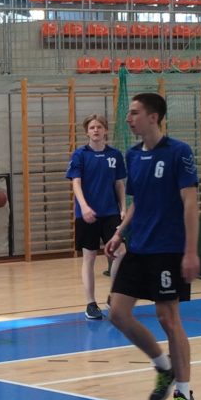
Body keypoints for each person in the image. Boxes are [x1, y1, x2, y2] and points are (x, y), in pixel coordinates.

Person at [103, 93, 201, 400]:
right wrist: (119, 233)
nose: (128, 118)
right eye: (129, 113)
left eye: (134, 113)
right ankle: (163, 366)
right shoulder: (133, 155)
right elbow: (138, 203)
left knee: (168, 318)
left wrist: (190, 251)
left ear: (153, 117)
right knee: (118, 313)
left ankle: (185, 397)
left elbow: (190, 203)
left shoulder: (178, 152)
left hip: (168, 248)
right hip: (139, 246)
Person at [66, 113, 127, 320]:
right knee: (89, 257)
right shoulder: (80, 155)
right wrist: (84, 207)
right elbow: (76, 183)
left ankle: (114, 296)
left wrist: (123, 208)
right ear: (87, 132)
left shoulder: (114, 155)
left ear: (105, 130)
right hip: (87, 214)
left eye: (99, 127)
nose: (96, 130)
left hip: (110, 212)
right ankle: (91, 303)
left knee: (120, 252)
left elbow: (119, 183)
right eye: (92, 127)